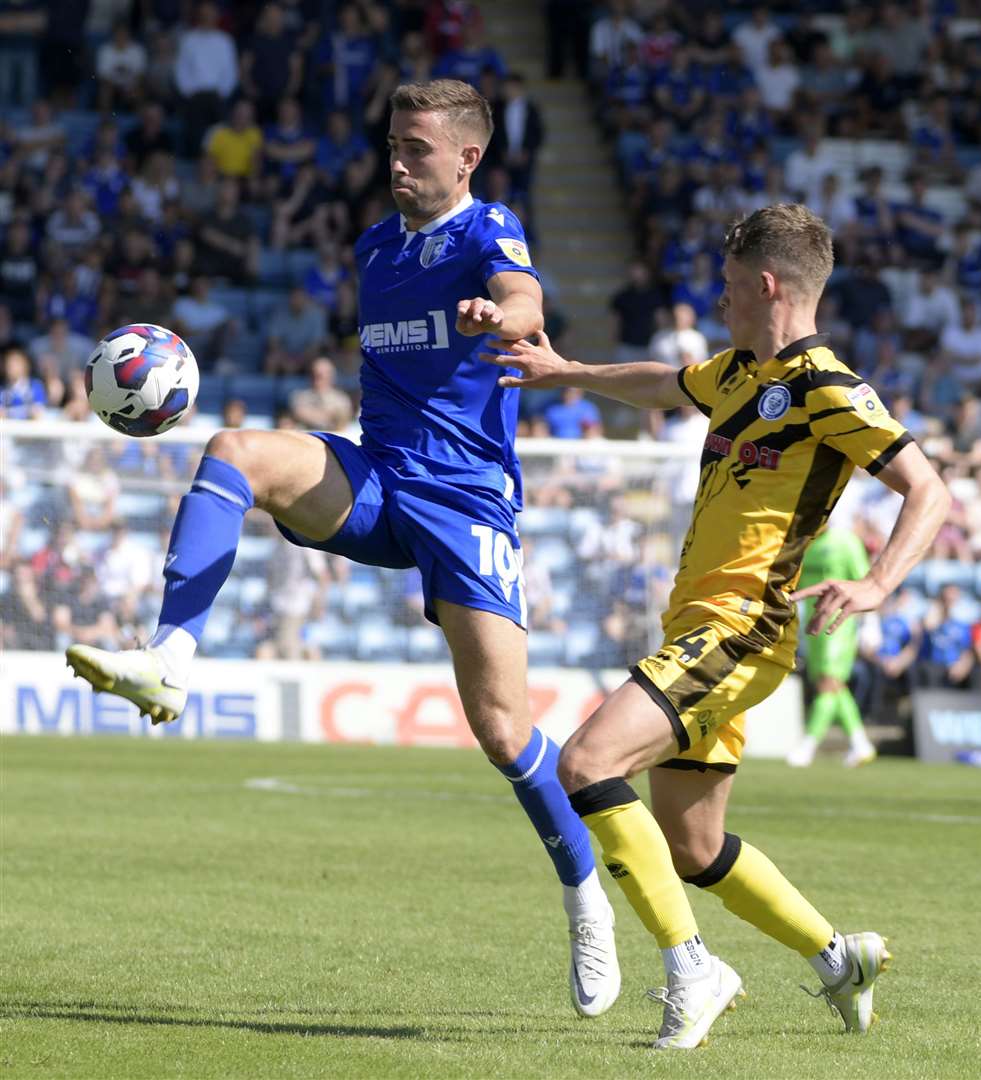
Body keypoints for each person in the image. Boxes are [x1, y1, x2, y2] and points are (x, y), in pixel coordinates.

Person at [64, 79, 619, 1018]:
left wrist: (504, 317)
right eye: (393, 145)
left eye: (416, 148)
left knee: (501, 729)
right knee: (233, 451)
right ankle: (168, 659)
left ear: (465, 158)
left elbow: (524, 298)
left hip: (465, 504)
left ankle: (582, 894)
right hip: (374, 481)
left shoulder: (490, 230)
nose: (397, 161)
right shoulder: (373, 246)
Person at [481, 204, 950, 1049]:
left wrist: (881, 580)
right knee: (692, 846)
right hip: (695, 628)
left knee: (585, 763)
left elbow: (928, 488)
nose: (720, 299)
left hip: (740, 628)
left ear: (766, 284)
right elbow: (665, 383)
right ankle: (837, 957)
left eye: (730, 287)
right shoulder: (736, 373)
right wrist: (568, 372)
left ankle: (693, 967)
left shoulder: (828, 389)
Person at [786, 526, 877, 769]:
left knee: (829, 682)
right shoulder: (805, 543)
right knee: (832, 685)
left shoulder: (846, 541)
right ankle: (860, 743)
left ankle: (807, 746)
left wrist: (871, 624)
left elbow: (866, 582)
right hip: (812, 622)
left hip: (839, 622)